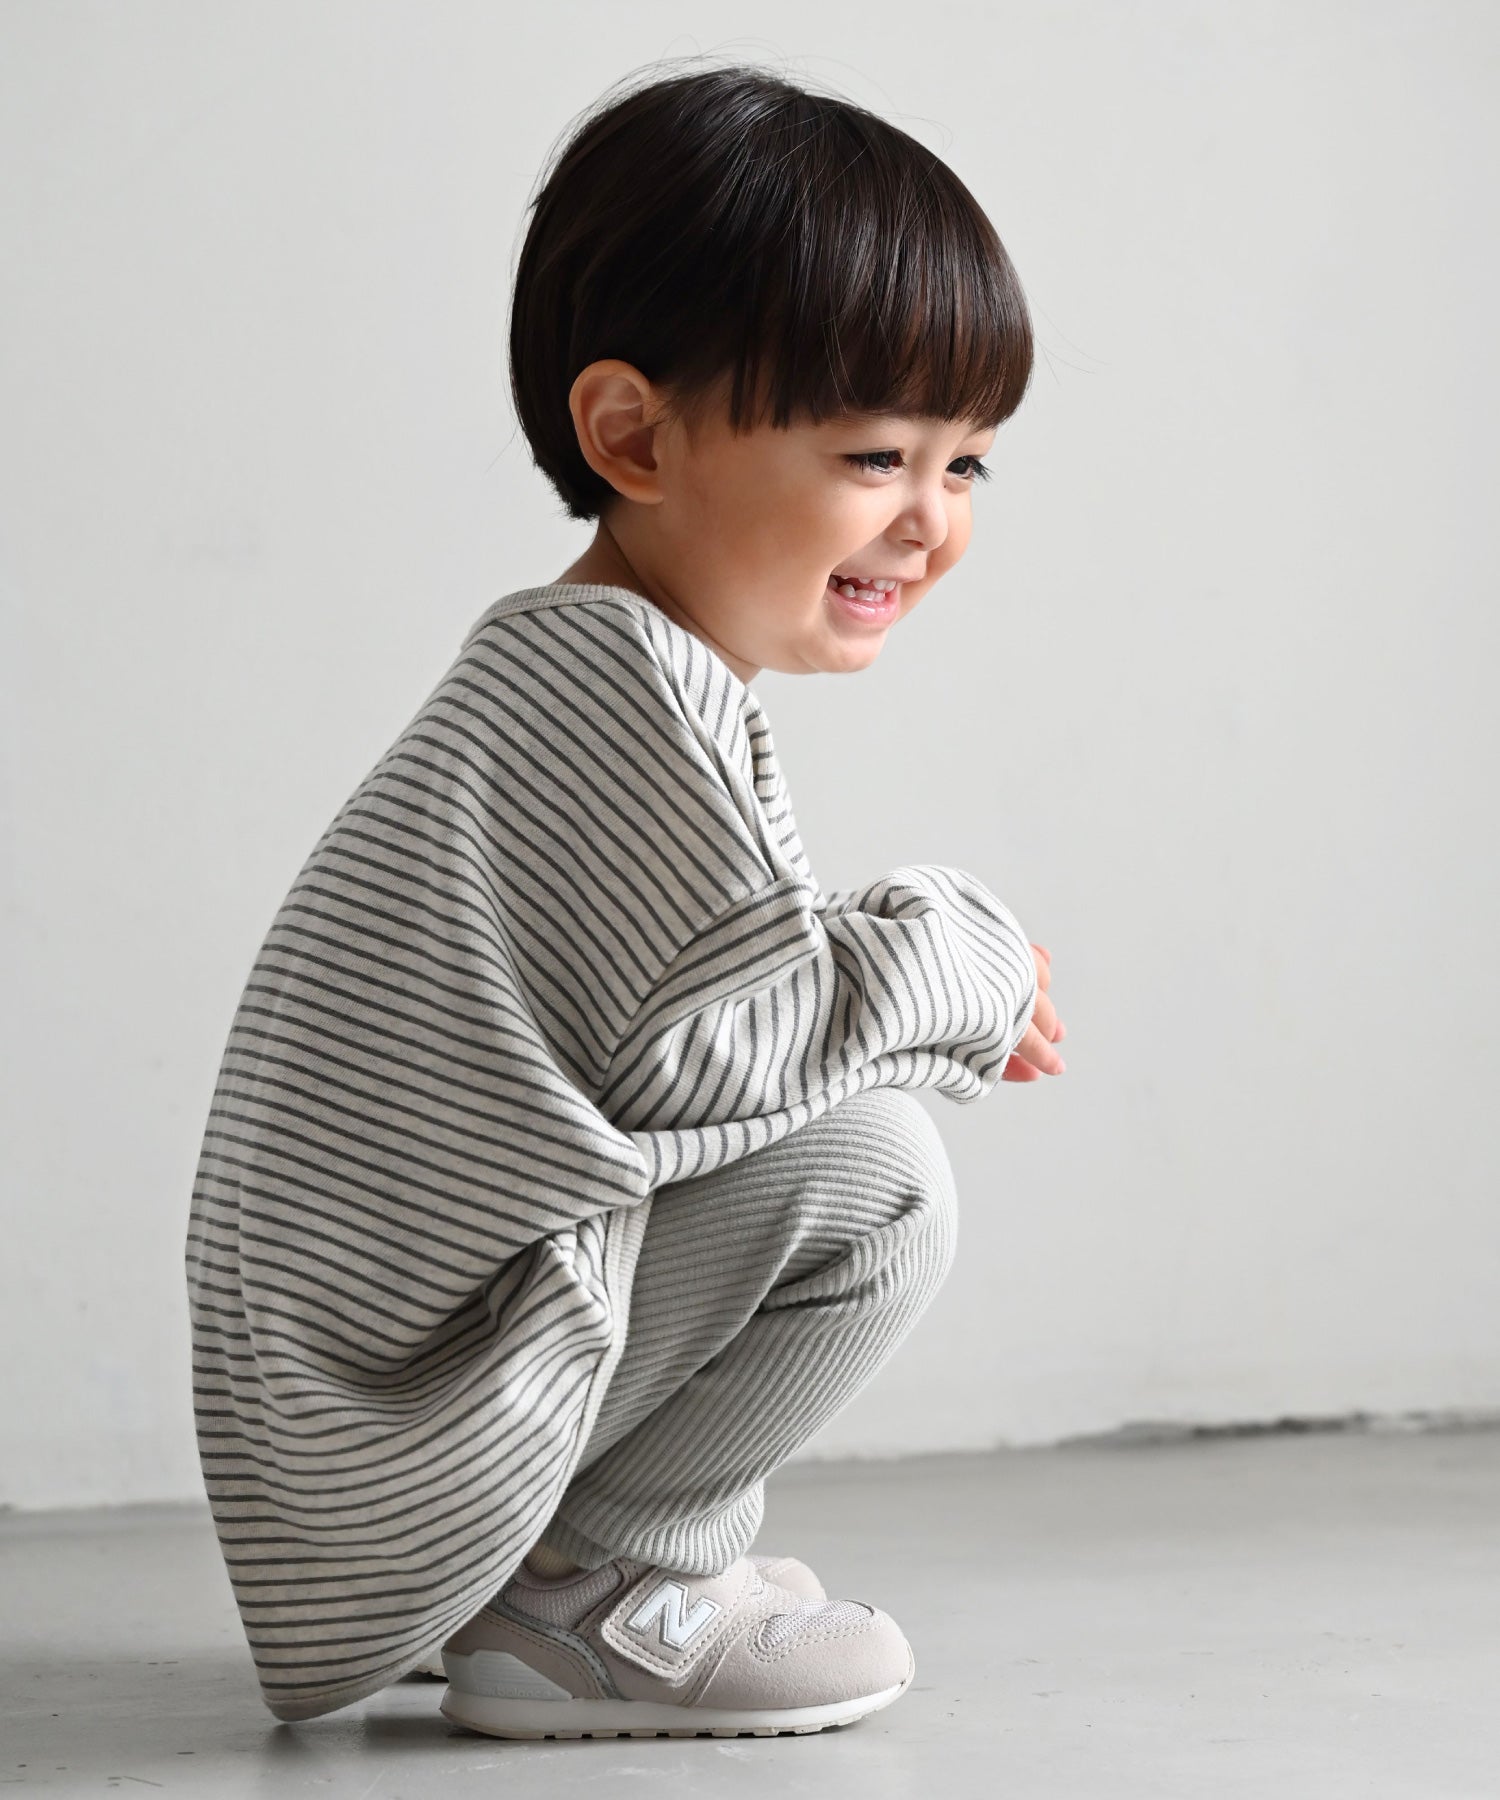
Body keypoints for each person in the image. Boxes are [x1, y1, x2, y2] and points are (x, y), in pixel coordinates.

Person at [182, 58, 1067, 1742]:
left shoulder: (585, 666)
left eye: (967, 467)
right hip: (393, 1428)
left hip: (371, 1409)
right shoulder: (625, 685)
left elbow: (678, 1039)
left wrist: (893, 967)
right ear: (634, 437)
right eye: (876, 453)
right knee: (876, 1175)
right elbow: (715, 1062)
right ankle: (598, 1592)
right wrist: (953, 961)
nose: (928, 523)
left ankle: (561, 1567)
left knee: (841, 1128)